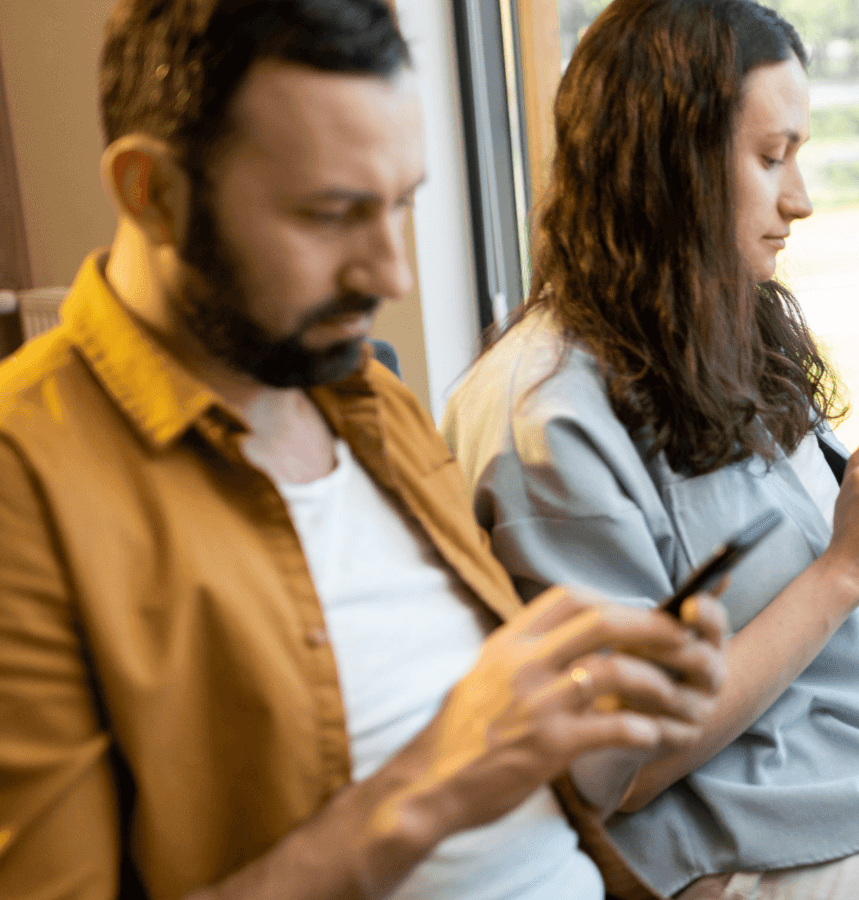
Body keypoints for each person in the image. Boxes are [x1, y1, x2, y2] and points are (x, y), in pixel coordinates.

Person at [0, 2, 728, 899]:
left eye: (403, 203)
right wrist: (434, 785)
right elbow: (451, 767)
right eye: (331, 213)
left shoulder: (365, 397)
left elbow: (515, 771)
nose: (392, 274)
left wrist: (602, 708)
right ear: (152, 192)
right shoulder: (26, 483)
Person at [441, 1, 859, 898]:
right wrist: (842, 567)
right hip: (750, 835)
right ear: (661, 167)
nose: (802, 198)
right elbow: (617, 774)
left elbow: (802, 562)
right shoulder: (546, 421)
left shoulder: (716, 334)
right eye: (769, 157)